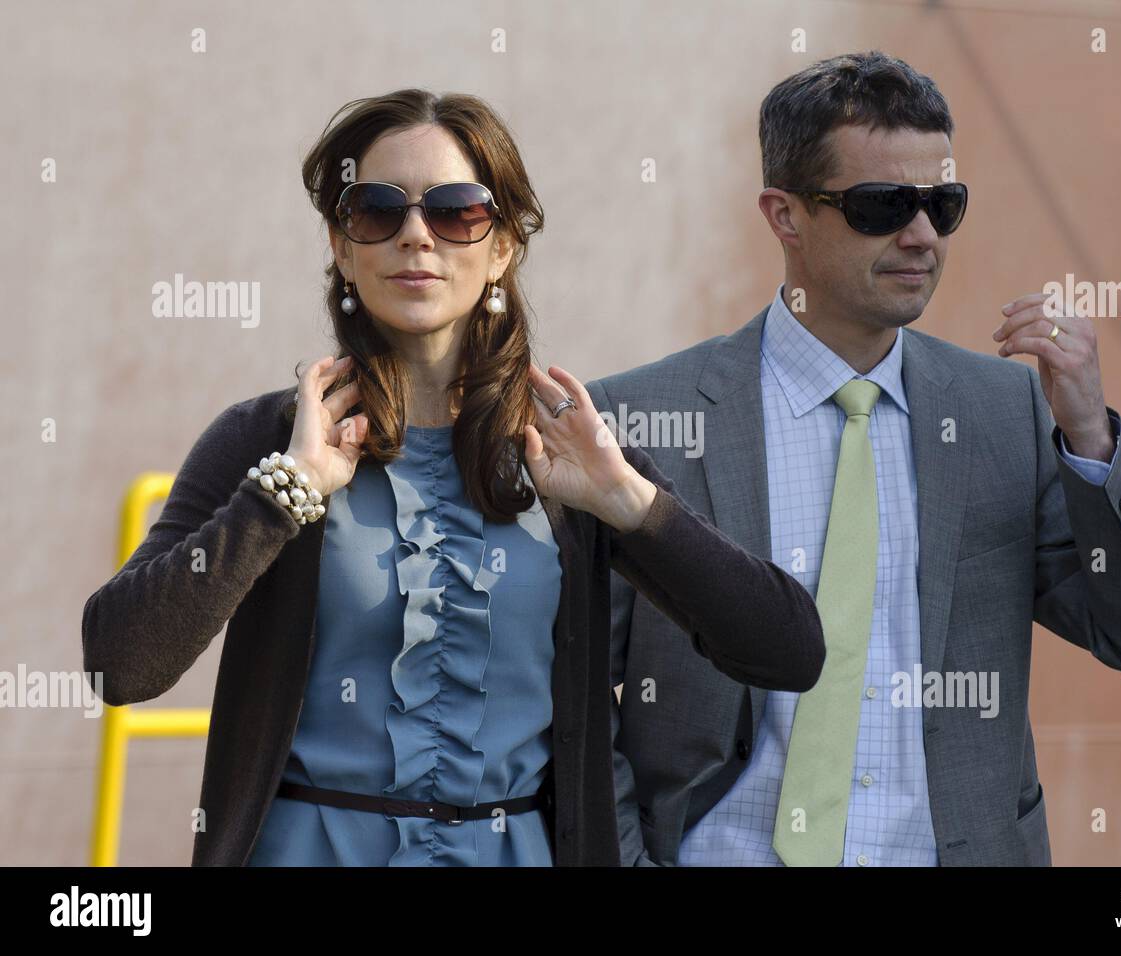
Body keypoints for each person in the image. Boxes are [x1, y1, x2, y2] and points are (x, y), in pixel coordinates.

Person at [81, 88, 825, 867]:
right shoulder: (268, 440)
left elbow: (789, 653)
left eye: (455, 211)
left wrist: (635, 507)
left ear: (502, 246)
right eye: (376, 210)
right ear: (343, 246)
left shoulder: (566, 450)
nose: (415, 236)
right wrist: (285, 493)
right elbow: (119, 665)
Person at [593, 51, 1121, 866]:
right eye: (883, 205)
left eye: (943, 204)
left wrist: (1089, 435)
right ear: (785, 214)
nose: (921, 236)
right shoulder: (641, 416)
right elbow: (577, 699)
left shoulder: (1004, 413)